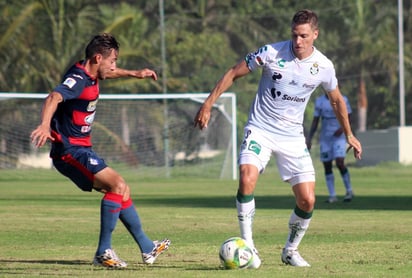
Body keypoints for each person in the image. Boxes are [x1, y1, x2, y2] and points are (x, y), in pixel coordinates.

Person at [194, 9, 362, 267]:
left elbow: (337, 100)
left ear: (315, 35)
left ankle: (290, 250)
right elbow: (233, 72)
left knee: (307, 199)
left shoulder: (324, 67)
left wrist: (350, 134)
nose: (298, 41)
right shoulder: (270, 53)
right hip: (260, 128)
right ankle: (248, 246)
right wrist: (208, 104)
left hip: (293, 137)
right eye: (294, 35)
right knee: (247, 177)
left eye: (304, 36)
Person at [30, 33, 170, 269]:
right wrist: (45, 125)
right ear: (97, 58)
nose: (114, 66)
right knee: (116, 185)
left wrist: (135, 73)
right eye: (112, 60)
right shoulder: (78, 79)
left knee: (122, 189)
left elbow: (109, 72)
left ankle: (147, 247)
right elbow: (54, 97)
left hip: (82, 148)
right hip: (69, 151)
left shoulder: (92, 73)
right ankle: (103, 252)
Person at [306, 93, 355, 203]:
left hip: (339, 137)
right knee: (327, 165)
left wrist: (343, 130)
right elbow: (315, 120)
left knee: (339, 162)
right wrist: (309, 138)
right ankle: (332, 195)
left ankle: (349, 190)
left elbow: (349, 117)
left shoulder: (343, 99)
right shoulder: (320, 101)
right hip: (325, 138)